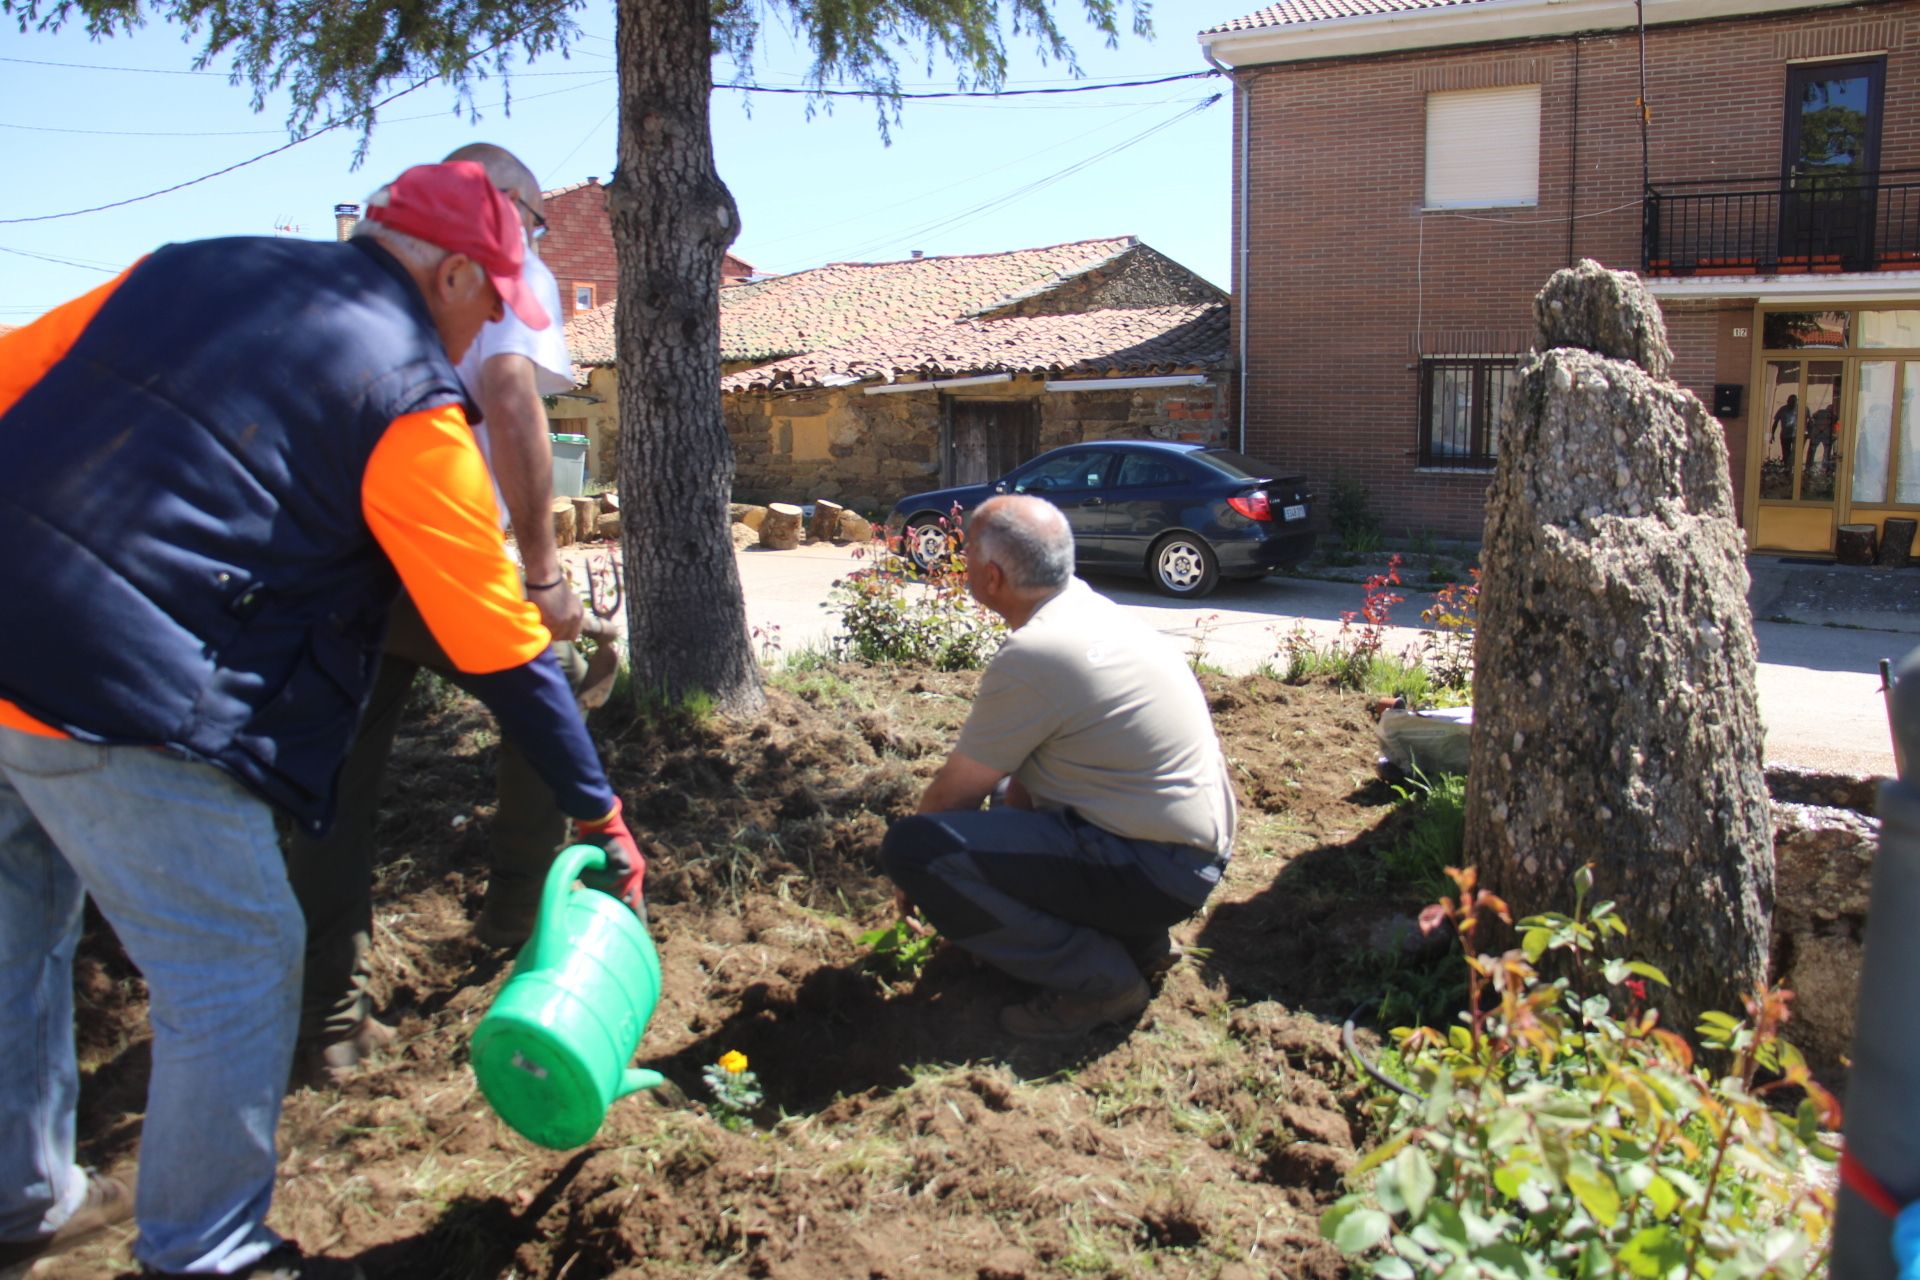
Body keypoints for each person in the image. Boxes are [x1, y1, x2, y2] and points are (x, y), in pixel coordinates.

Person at [0, 161, 645, 1280]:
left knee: (19, 933)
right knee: (240, 958)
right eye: (491, 299)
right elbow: (499, 641)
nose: (490, 325)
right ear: (448, 272)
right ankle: (212, 1252)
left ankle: (23, 1199)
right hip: (115, 695)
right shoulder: (402, 394)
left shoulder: (183, 268)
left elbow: (13, 381)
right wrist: (598, 807)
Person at [285, 143, 595, 1083]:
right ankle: (514, 917)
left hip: (337, 560)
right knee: (560, 686)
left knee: (339, 776)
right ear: (496, 212)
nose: (535, 240)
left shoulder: (346, 278)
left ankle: (331, 1015)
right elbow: (510, 400)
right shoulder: (493, 263)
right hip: (433, 547)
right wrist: (542, 575)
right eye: (533, 220)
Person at [880, 496, 1238, 1040]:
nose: (960, 560)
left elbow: (950, 798)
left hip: (1153, 868)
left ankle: (1099, 980)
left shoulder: (1035, 654)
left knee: (916, 847)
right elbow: (1023, 780)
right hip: (1183, 855)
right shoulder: (1089, 611)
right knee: (1005, 798)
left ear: (992, 576)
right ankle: (1136, 943)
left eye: (966, 553)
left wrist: (918, 881)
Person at [1770, 393, 1799, 464]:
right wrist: (1772, 434)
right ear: (1788, 401)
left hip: (1796, 435)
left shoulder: (1799, 409)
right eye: (1791, 401)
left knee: (1795, 453)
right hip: (1785, 435)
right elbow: (1776, 422)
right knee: (1786, 453)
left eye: (1794, 402)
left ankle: (1793, 468)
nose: (1792, 404)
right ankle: (1786, 469)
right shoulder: (1783, 409)